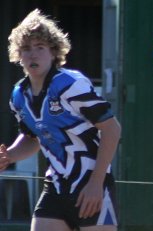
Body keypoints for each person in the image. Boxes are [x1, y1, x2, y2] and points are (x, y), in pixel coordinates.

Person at [0, 9, 121, 231]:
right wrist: (9, 156)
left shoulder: (70, 84)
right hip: (55, 186)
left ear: (54, 52)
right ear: (18, 55)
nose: (33, 55)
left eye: (40, 48)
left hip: (91, 184)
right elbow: (32, 138)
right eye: (26, 49)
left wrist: (96, 184)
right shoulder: (19, 95)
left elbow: (112, 129)